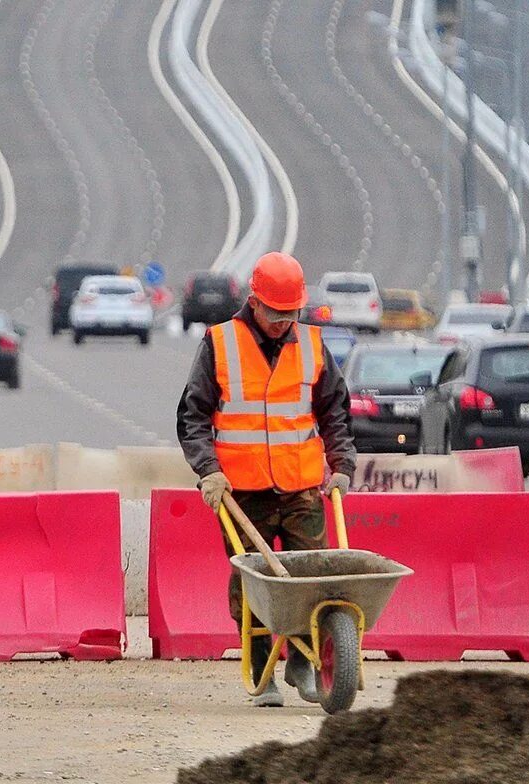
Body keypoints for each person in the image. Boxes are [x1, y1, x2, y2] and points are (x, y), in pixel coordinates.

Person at [175, 251, 356, 707]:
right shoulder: (220, 344)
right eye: (275, 313)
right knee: (254, 584)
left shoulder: (312, 345)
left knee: (309, 577)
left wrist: (342, 466)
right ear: (255, 302)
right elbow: (192, 416)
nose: (281, 323)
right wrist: (208, 471)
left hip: (301, 486)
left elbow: (334, 410)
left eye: (289, 313)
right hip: (241, 491)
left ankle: (302, 660)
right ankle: (262, 669)